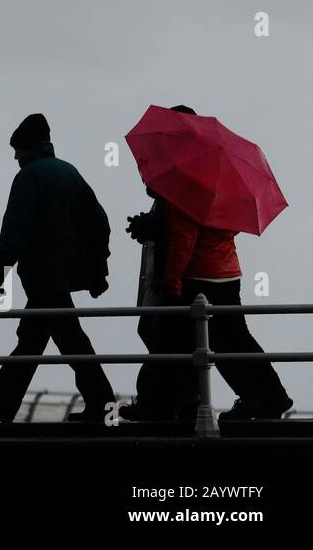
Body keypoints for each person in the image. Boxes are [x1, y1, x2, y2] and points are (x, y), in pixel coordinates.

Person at [0, 113, 117, 423]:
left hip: (41, 275)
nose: (14, 156)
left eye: (17, 149)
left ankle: (101, 406)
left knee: (58, 339)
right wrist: (97, 269)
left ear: (28, 148)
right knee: (42, 337)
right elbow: (99, 223)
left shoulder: (28, 177)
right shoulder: (70, 173)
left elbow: (14, 231)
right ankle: (6, 401)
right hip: (63, 275)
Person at [161, 196, 293, 421]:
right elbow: (232, 229)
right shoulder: (224, 191)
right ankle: (273, 395)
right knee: (239, 339)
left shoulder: (184, 196)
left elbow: (183, 240)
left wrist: (172, 282)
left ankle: (248, 397)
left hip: (200, 277)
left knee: (206, 342)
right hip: (228, 274)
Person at [120, 105, 199, 421]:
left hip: (172, 277)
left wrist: (149, 227)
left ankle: (162, 404)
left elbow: (178, 230)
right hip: (172, 276)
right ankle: (176, 402)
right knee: (165, 337)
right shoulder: (185, 176)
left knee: (161, 335)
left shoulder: (183, 179)